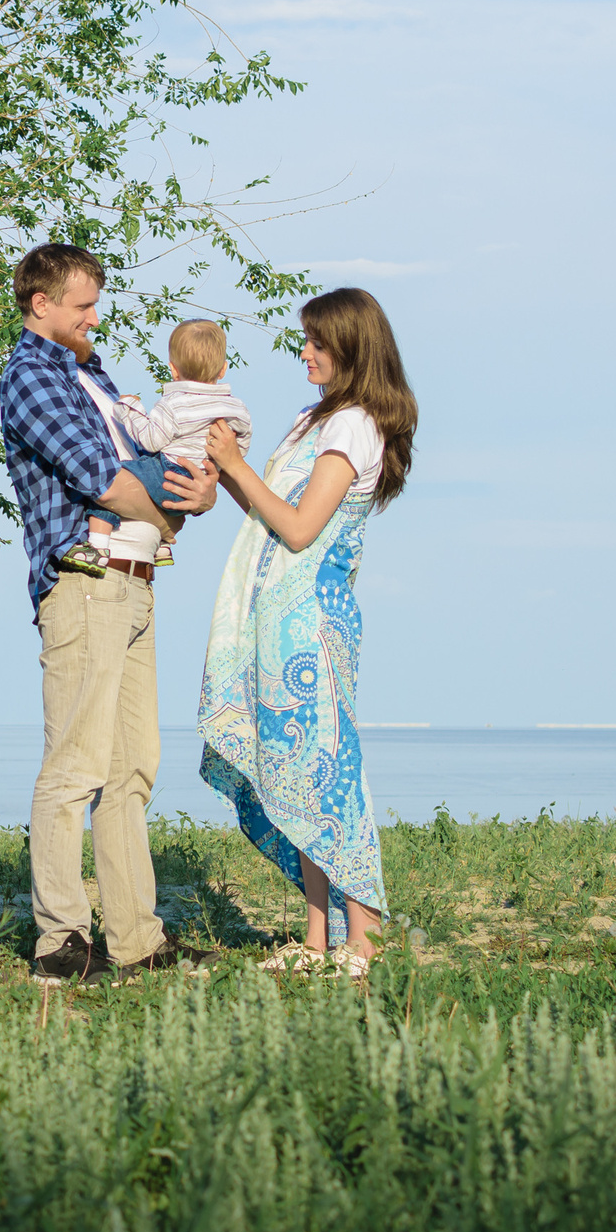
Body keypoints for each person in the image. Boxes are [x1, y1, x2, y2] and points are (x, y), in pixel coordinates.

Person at [0, 243, 219, 985]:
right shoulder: (30, 377)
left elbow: (154, 468)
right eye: (83, 305)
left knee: (131, 768)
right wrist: (165, 508)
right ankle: (60, 940)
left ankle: (135, 939)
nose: (96, 317)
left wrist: (192, 497)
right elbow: (102, 477)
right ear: (42, 305)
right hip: (83, 580)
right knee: (75, 767)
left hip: (135, 581)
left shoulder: (91, 373)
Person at [197, 287, 418, 978]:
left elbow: (298, 528)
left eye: (316, 343)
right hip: (277, 618)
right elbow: (268, 512)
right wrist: (224, 464)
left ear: (350, 347)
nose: (304, 352)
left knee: (329, 770)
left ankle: (367, 935)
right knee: (295, 773)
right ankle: (320, 940)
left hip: (312, 624)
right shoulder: (312, 420)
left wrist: (235, 465)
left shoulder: (352, 425)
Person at [72, 319, 252, 571]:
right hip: (198, 479)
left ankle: (97, 546)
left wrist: (130, 409)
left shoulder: (175, 404)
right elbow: (239, 448)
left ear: (173, 369)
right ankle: (163, 544)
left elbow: (150, 439)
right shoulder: (236, 408)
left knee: (111, 475)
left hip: (168, 471)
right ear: (223, 369)